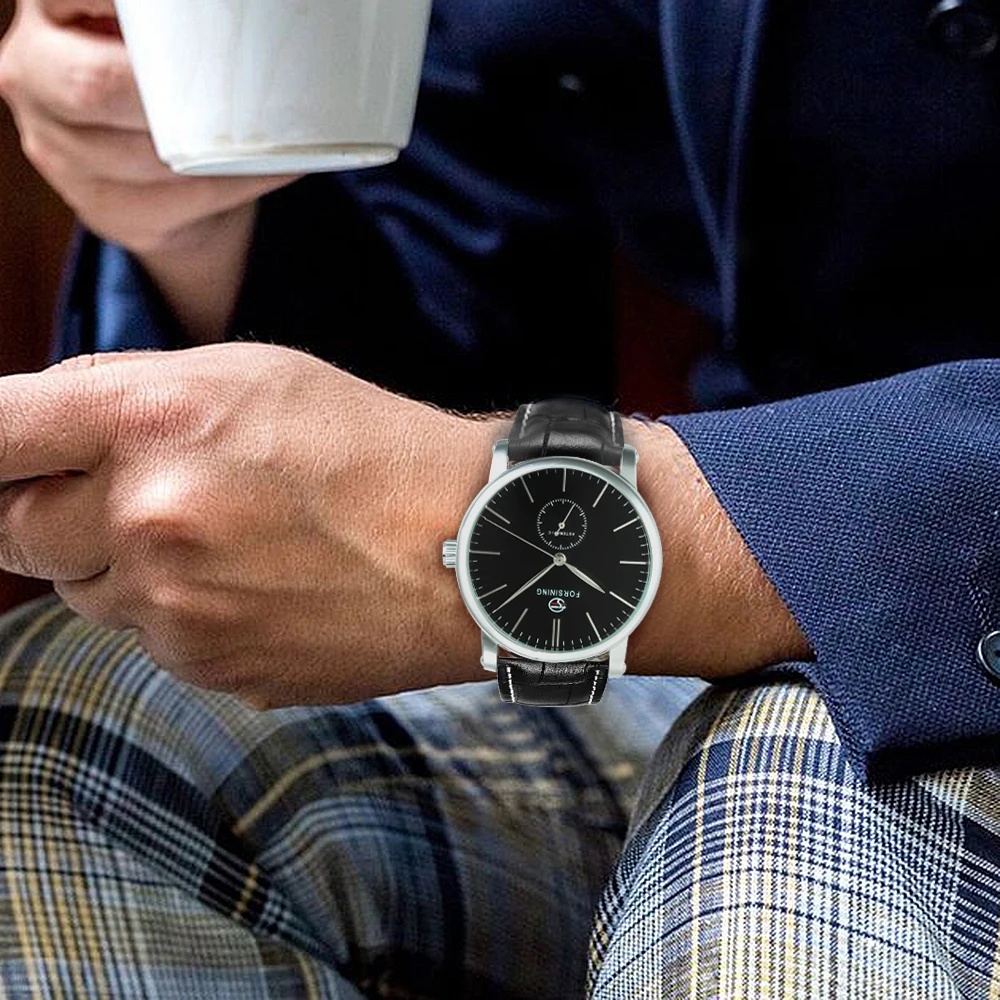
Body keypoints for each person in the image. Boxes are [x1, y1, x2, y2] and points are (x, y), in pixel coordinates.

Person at [0, 0, 999, 996]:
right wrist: (205, 205)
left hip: (898, 634)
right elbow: (455, 365)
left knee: (780, 812)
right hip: (676, 654)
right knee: (68, 735)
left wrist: (531, 534)